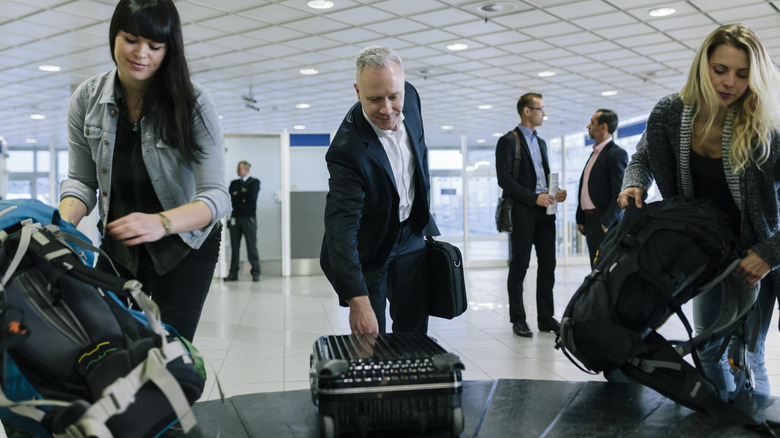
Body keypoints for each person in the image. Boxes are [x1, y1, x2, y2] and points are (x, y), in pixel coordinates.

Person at [618, 24, 780, 396]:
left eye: (742, 74)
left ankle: (752, 425)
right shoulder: (671, 112)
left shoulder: (767, 126)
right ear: (702, 66)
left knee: (748, 355)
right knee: (707, 350)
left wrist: (769, 255)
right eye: (720, 70)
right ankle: (722, 423)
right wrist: (635, 181)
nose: (729, 83)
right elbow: (642, 155)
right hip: (706, 253)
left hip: (755, 256)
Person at [59, 0, 229, 342]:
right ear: (114, 36)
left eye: (155, 46)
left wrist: (161, 222)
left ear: (169, 49)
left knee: (169, 351)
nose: (141, 53)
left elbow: (217, 198)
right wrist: (60, 226)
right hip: (120, 242)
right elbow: (81, 181)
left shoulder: (193, 102)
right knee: (108, 343)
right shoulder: (86, 99)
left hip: (185, 245)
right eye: (131, 39)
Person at [320, 46, 439, 335]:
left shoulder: (411, 99)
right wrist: (357, 301)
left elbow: (420, 155)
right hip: (369, 245)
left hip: (410, 233)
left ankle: (409, 380)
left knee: (413, 330)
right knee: (371, 338)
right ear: (357, 91)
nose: (387, 109)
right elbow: (341, 228)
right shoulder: (347, 151)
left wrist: (423, 220)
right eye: (374, 99)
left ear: (403, 85)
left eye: (394, 96)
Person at [495, 93, 567, 338]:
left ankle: (546, 318)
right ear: (526, 111)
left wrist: (554, 193)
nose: (543, 114)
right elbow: (504, 180)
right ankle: (518, 320)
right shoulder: (508, 141)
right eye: (540, 109)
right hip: (523, 210)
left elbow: (543, 177)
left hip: (545, 212)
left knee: (548, 265)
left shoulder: (542, 143)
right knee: (520, 265)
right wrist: (533, 197)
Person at [576, 109, 628, 268]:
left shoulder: (616, 154)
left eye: (592, 122)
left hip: (605, 223)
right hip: (590, 221)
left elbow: (619, 193)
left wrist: (605, 223)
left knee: (606, 271)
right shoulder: (594, 154)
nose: (588, 126)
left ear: (603, 127)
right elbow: (585, 187)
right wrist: (581, 218)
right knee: (595, 270)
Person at [225, 160, 261, 282]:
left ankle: (256, 272)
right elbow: (230, 197)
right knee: (234, 247)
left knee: (251, 246)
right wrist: (242, 195)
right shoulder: (234, 183)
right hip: (235, 218)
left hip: (249, 218)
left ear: (246, 170)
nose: (237, 171)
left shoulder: (254, 182)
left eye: (239, 168)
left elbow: (251, 197)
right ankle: (233, 273)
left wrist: (238, 195)